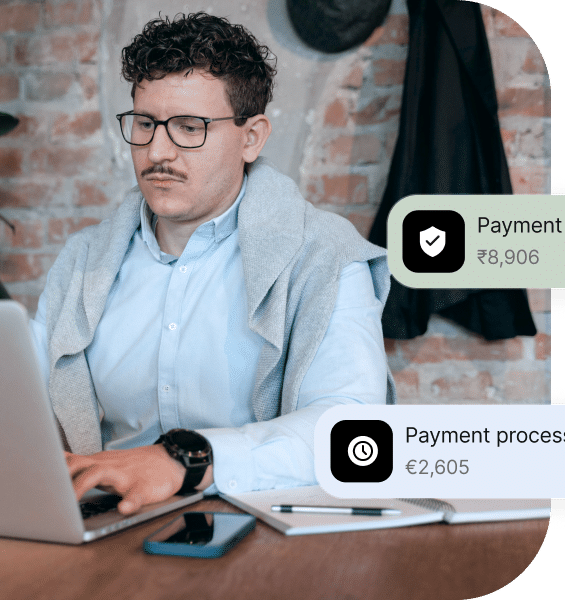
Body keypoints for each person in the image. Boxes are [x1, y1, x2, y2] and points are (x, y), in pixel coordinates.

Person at [29, 12, 395, 514]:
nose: (157, 151)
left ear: (252, 137)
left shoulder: (325, 256)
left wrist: (188, 461)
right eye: (144, 125)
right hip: (110, 528)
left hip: (262, 531)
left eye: (189, 127)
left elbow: (353, 429)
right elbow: (18, 403)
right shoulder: (82, 263)